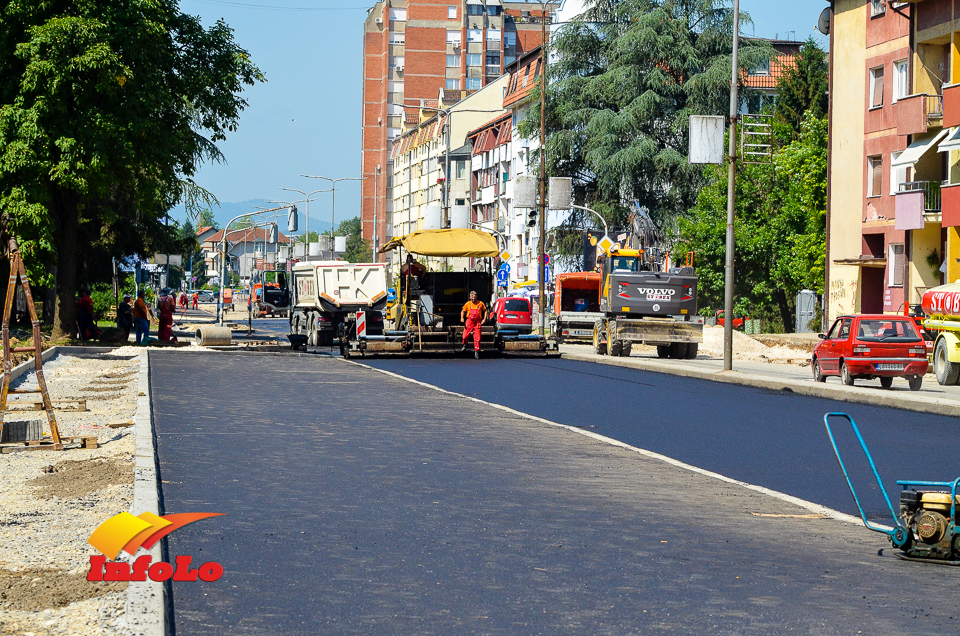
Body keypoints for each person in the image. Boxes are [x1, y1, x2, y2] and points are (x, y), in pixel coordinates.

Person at [460, 290, 488, 359]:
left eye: (474, 297)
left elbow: (485, 311)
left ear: (476, 297)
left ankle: (476, 352)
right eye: (472, 297)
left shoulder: (480, 303)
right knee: (465, 336)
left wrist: (484, 319)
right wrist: (462, 318)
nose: (473, 298)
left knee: (477, 338)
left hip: (477, 322)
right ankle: (465, 344)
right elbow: (463, 311)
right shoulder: (467, 304)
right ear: (470, 297)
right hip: (469, 322)